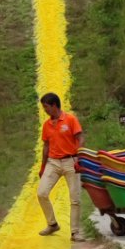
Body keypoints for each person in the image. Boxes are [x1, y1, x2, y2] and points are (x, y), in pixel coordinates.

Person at [36, 89, 84, 240]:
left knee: (75, 198)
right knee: (41, 193)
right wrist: (43, 166)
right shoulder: (47, 125)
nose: (45, 110)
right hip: (53, 162)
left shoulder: (70, 119)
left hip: (71, 161)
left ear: (54, 105)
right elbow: (46, 146)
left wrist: (78, 157)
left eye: (47, 107)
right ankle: (52, 224)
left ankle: (75, 232)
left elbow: (80, 138)